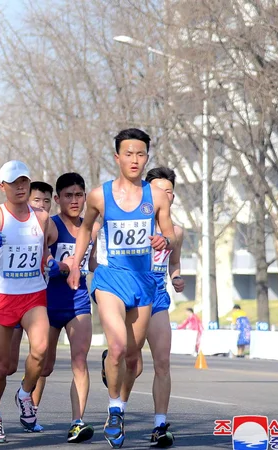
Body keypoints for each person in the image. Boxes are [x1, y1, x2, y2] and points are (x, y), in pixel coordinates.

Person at [67, 128, 175, 449]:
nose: (135, 160)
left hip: (143, 284)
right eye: (128, 154)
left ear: (146, 158)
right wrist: (76, 263)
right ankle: (114, 409)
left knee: (131, 358)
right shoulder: (99, 195)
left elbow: (169, 234)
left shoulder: (155, 197)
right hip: (110, 280)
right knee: (116, 348)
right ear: (117, 157)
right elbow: (86, 229)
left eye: (140, 154)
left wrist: (163, 240)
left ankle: (120, 407)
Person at [0, 160, 60, 444]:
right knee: (3, 365)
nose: (20, 187)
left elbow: (45, 251)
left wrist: (51, 262)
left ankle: (24, 394)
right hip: (3, 297)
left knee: (41, 350)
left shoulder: (41, 217)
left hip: (34, 294)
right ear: (3, 186)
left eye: (24, 182)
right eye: (14, 183)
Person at [99, 167, 185, 448]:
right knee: (132, 362)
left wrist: (176, 277)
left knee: (162, 361)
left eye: (170, 190)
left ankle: (160, 425)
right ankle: (118, 409)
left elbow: (174, 263)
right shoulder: (133, 220)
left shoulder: (177, 233)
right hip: (130, 292)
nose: (166, 194)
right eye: (160, 189)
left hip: (157, 297)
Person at [32, 172, 97, 443]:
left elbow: (93, 265)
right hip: (48, 302)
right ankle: (30, 412)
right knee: (43, 366)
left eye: (79, 195)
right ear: (57, 199)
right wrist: (58, 265)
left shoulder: (92, 228)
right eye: (68, 195)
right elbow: (38, 258)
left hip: (78, 300)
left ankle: (77, 422)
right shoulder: (51, 225)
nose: (74, 200)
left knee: (79, 361)